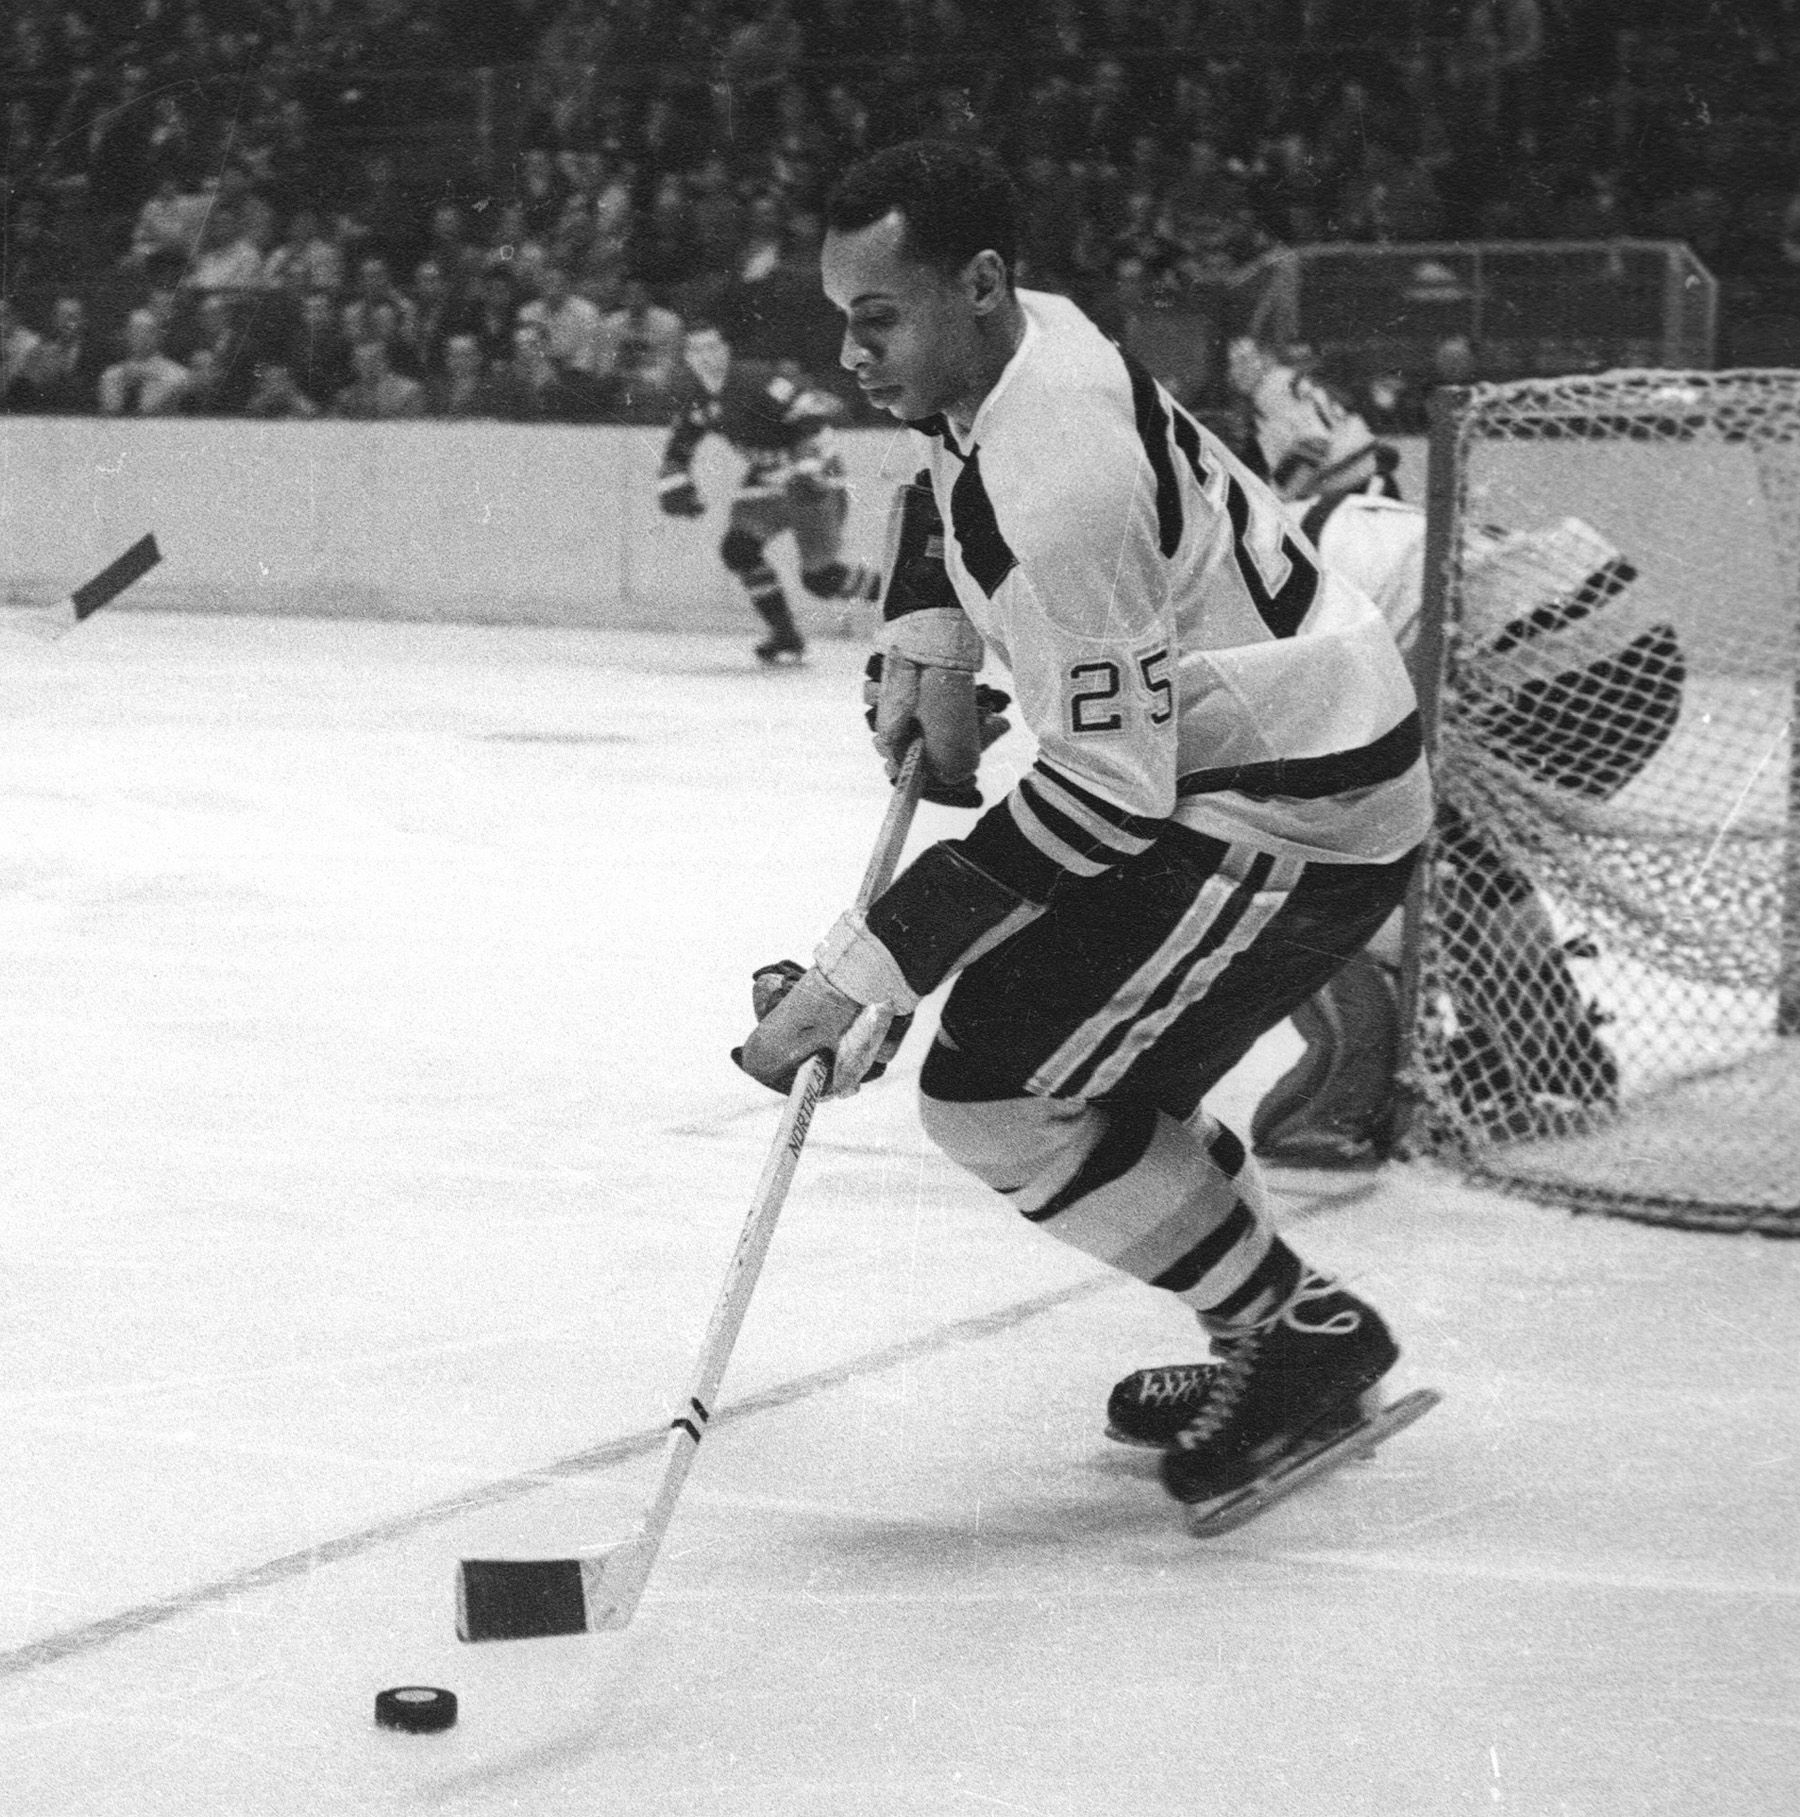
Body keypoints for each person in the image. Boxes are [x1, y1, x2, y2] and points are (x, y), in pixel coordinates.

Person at [733, 141, 1434, 1512]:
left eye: (879, 318)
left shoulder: (1061, 482)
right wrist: (930, 651)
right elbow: (941, 483)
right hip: (1252, 764)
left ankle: (1290, 1330)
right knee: (1082, 1072)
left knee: (1000, 1090)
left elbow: (1107, 786)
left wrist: (865, 969)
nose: (852, 355)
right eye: (843, 318)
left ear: (979, 285)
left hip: (1287, 806)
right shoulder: (1024, 344)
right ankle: (1264, 1322)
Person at [1251, 493, 1682, 1160]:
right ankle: (1549, 1053)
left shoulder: (1232, 571)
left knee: (1296, 863)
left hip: (1544, 657)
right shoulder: (1278, 519)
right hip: (1631, 643)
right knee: (1471, 860)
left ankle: (1353, 1085)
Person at [655, 320, 881, 665]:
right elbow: (680, 445)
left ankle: (907, 594)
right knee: (739, 549)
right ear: (687, 356)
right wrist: (675, 485)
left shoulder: (757, 380)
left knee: (821, 579)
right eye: (696, 349)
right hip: (766, 477)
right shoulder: (697, 397)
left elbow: (811, 415)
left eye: (712, 347)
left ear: (726, 351)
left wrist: (807, 468)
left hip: (813, 470)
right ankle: (785, 634)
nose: (705, 357)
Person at [1225, 334, 1400, 505]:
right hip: (1361, 484)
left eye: (1245, 360)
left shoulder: (1272, 389)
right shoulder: (1277, 384)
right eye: (1233, 363)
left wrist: (1276, 498)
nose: (1239, 370)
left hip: (1355, 492)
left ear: (1268, 359)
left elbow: (1313, 444)